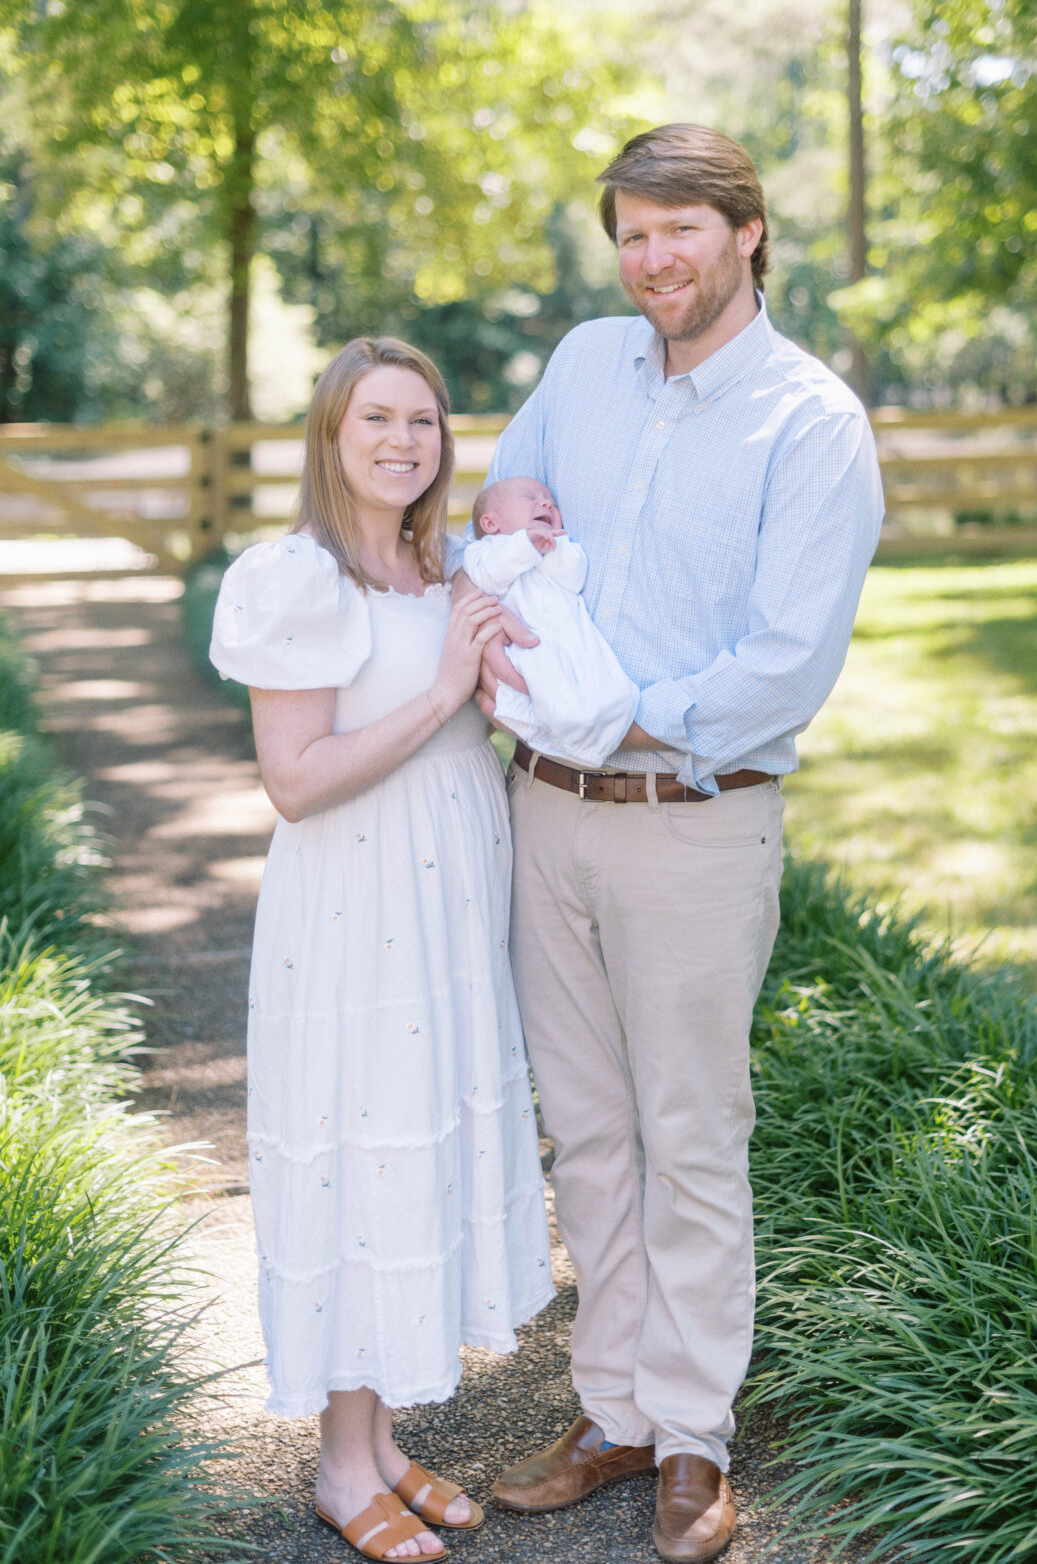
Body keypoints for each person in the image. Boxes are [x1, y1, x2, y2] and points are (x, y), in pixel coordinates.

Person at [472, 125, 885, 1564]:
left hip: (694, 825)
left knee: (690, 1134)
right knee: (585, 1127)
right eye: (632, 234)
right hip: (544, 814)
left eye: (680, 232)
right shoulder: (586, 359)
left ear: (748, 231)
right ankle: (614, 1409)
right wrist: (498, 509)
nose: (653, 259)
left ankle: (695, 1435)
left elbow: (781, 666)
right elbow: (503, 503)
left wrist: (598, 714)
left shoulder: (808, 418)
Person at [209, 336, 554, 1563]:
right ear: (330, 436)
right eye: (377, 421)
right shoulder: (296, 578)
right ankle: (339, 1466)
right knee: (361, 1150)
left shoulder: (442, 565)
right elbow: (294, 784)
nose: (404, 441)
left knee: (419, 1150)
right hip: (358, 904)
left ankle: (383, 1441)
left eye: (424, 421)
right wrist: (442, 688)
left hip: (453, 894)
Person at [463, 476, 639, 767]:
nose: (545, 503)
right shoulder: (484, 552)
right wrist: (526, 544)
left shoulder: (561, 546)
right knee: (548, 689)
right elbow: (488, 575)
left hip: (570, 635)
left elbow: (575, 575)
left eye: (550, 502)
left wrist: (551, 546)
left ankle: (603, 725)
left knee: (609, 687)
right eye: (529, 498)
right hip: (527, 643)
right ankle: (567, 733)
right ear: (491, 524)